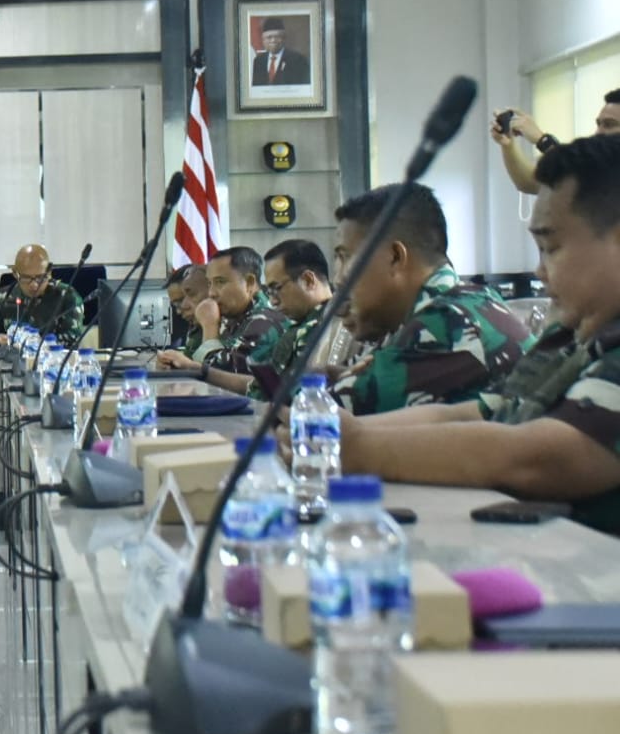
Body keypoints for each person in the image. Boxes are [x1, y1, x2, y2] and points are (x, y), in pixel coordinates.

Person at [335, 135, 620, 532]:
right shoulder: (568, 338)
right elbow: (484, 412)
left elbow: (546, 457)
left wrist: (363, 450)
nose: (539, 271)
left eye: (551, 248)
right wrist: (340, 434)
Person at [329, 184, 531, 415]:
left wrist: (315, 381)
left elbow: (312, 414)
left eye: (345, 257)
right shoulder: (471, 301)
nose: (338, 278)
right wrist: (333, 376)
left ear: (395, 257)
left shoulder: (446, 323)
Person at [153, 246, 289, 390]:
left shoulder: (264, 320)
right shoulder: (236, 317)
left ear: (249, 282)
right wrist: (174, 363)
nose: (211, 293)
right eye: (209, 283)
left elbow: (219, 378)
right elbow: (196, 363)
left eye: (220, 282)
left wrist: (209, 327)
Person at [249, 239, 336, 397]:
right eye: (269, 292)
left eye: (277, 288)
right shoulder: (305, 323)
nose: (273, 301)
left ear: (308, 280)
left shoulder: (333, 325)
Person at [492, 88, 620, 195]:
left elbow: (577, 176)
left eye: (609, 124)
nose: (598, 132)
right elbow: (529, 184)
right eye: (599, 124)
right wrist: (508, 144)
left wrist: (542, 140)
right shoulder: (600, 165)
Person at [0, 244, 86, 346]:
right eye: (26, 278)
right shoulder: (1, 298)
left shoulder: (67, 296)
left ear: (49, 272)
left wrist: (33, 344)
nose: (34, 285)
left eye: (40, 277)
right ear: (15, 273)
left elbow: (72, 340)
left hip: (52, 358)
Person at [250, 18, 311, 86]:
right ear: (263, 40)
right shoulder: (258, 61)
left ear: (284, 39)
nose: (273, 40)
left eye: (277, 37)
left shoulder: (298, 60)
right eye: (269, 37)